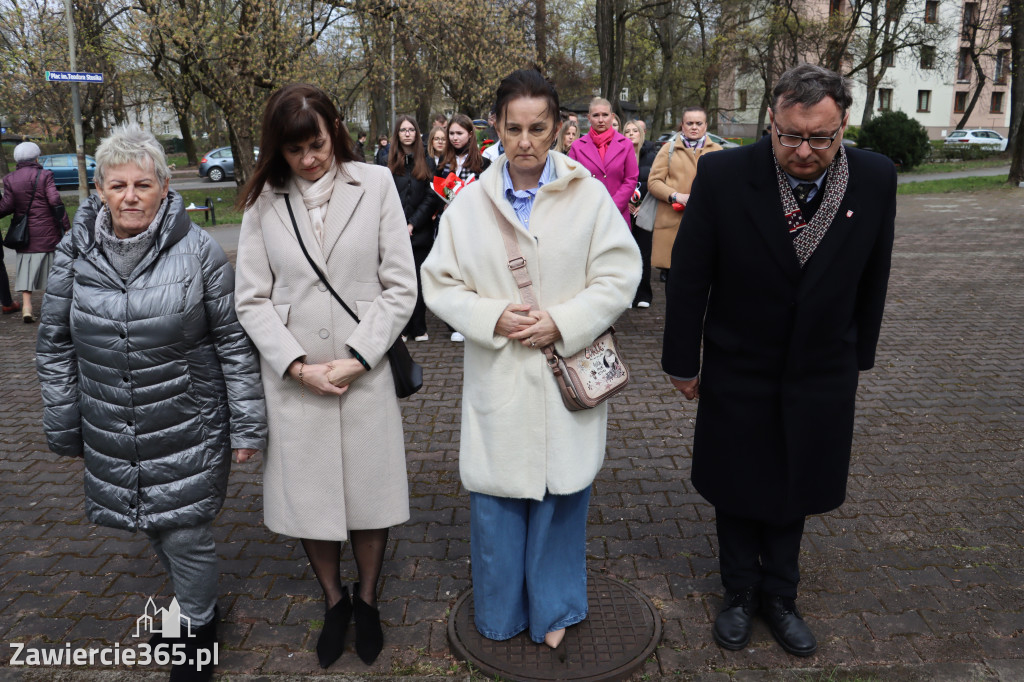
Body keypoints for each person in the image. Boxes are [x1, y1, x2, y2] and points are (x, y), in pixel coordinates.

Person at [661, 64, 896, 658]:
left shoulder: (873, 178)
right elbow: (690, 278)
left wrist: (859, 356)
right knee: (738, 480)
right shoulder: (724, 174)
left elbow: (875, 274)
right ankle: (739, 592)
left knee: (798, 480)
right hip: (741, 360)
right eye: (788, 135)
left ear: (844, 124)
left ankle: (781, 595)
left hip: (822, 366)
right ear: (771, 121)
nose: (802, 150)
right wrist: (682, 362)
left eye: (820, 138)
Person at [35, 124, 267, 682]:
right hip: (111, 420)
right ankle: (195, 608)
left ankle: (195, 629)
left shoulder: (199, 251)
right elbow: (54, 342)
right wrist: (65, 419)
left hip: (188, 418)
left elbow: (233, 342)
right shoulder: (73, 252)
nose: (131, 196)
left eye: (143, 184)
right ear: (98, 191)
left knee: (184, 530)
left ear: (165, 187)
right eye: (118, 186)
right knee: (150, 522)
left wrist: (246, 427)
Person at [421, 68, 640, 651]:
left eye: (537, 128)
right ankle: (499, 613)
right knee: (496, 501)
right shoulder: (469, 206)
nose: (524, 141)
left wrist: (563, 321)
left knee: (563, 497)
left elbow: (621, 274)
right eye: (513, 128)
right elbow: (438, 283)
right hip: (502, 375)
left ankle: (555, 608)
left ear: (558, 128)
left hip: (563, 373)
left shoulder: (588, 196)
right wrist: (491, 317)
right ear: (495, 126)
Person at [233, 83, 417, 669]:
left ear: (334, 129)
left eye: (315, 144)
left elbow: (400, 287)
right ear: (277, 150)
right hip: (297, 379)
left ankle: (366, 599)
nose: (309, 159)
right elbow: (251, 299)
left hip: (362, 370)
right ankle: (333, 600)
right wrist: (294, 366)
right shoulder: (264, 202)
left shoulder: (378, 184)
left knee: (370, 493)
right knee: (310, 495)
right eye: (294, 150)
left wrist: (360, 356)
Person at [0, 141, 71, 322]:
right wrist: (65, 224)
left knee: (25, 268)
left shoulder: (10, 179)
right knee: (50, 270)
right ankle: (49, 308)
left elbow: (6, 206)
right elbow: (55, 201)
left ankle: (27, 307)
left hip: (24, 235)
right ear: (36, 157)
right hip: (47, 231)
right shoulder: (45, 175)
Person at [646, 107, 723, 274]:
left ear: (706, 125)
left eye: (698, 123)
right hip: (673, 221)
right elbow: (653, 181)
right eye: (689, 123)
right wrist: (675, 196)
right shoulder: (669, 149)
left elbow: (725, 185)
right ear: (682, 125)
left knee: (703, 275)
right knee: (674, 277)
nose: (694, 127)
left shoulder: (717, 150)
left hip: (705, 223)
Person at [435, 113, 490, 343]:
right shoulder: (443, 163)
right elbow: (435, 190)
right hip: (448, 224)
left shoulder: (483, 164)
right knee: (452, 274)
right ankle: (456, 321)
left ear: (470, 134)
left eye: (460, 133)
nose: (455, 138)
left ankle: (474, 321)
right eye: (452, 134)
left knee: (473, 274)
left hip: (474, 226)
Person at [387, 115, 437, 341]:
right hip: (393, 231)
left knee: (417, 279)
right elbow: (384, 196)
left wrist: (413, 223)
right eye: (403, 130)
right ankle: (403, 327)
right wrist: (398, 224)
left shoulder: (427, 161)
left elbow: (431, 196)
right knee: (398, 281)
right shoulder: (387, 161)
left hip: (420, 231)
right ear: (397, 134)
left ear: (417, 134)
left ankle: (419, 327)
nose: (407, 133)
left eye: (411, 130)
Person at [567, 98, 639, 229]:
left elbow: (631, 179)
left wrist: (612, 206)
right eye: (596, 115)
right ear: (588, 118)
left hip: (617, 214)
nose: (601, 120)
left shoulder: (626, 144)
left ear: (612, 117)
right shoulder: (577, 146)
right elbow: (572, 181)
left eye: (605, 115)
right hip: (587, 215)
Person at [623, 120, 658, 308]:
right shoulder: (620, 154)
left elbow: (655, 182)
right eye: (627, 131)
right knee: (626, 252)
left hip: (645, 210)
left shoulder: (652, 157)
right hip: (624, 210)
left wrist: (642, 205)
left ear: (641, 133)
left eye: (634, 130)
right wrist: (626, 203)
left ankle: (643, 294)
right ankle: (627, 294)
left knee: (643, 252)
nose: (631, 134)